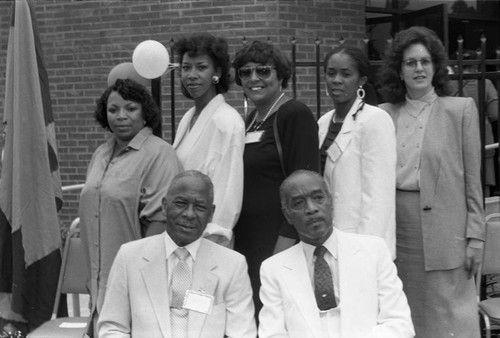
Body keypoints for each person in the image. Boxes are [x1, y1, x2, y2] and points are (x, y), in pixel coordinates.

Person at [378, 26, 485, 337]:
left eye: (425, 61)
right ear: (399, 70)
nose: (419, 68)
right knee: (404, 313)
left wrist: (475, 237)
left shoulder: (460, 110)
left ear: (436, 66)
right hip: (399, 229)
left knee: (449, 317)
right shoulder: (384, 114)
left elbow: (473, 180)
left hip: (447, 232)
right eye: (410, 63)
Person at [97, 170, 257, 338]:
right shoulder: (129, 257)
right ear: (165, 206)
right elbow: (113, 327)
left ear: (211, 213)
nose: (189, 214)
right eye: (181, 204)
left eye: (200, 207)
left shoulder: (232, 264)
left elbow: (242, 333)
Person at [258, 170, 414, 338]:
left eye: (318, 198)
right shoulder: (273, 269)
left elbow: (399, 323)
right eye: (298, 203)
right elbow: (272, 334)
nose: (311, 209)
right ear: (288, 214)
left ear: (330, 202)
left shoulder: (373, 251)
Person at [79, 78, 182, 333]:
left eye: (130, 108)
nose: (121, 116)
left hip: (138, 284)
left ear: (145, 112)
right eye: (113, 110)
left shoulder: (160, 154)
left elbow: (160, 223)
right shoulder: (101, 153)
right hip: (99, 282)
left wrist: (136, 282)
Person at [232, 40, 320, 314]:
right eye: (246, 73)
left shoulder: (294, 114)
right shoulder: (249, 121)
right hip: (247, 240)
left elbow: (304, 188)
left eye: (263, 71)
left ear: (281, 76)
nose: (254, 78)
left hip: (277, 242)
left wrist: (282, 251)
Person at [318, 45, 396, 257]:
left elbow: (379, 196)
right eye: (331, 73)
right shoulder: (323, 123)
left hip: (362, 244)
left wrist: (366, 252)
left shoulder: (375, 120)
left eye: (346, 74)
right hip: (329, 239)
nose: (336, 80)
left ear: (361, 81)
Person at [172, 33, 244, 247]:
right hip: (183, 232)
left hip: (208, 239)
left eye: (201, 67)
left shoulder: (227, 122)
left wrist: (213, 240)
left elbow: (228, 189)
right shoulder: (188, 117)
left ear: (217, 73)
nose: (191, 75)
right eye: (186, 67)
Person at [453, 49, 498, 196]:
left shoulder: (449, 84)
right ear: (477, 65)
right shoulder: (486, 83)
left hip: (456, 139)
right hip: (483, 138)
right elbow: (494, 114)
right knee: (484, 179)